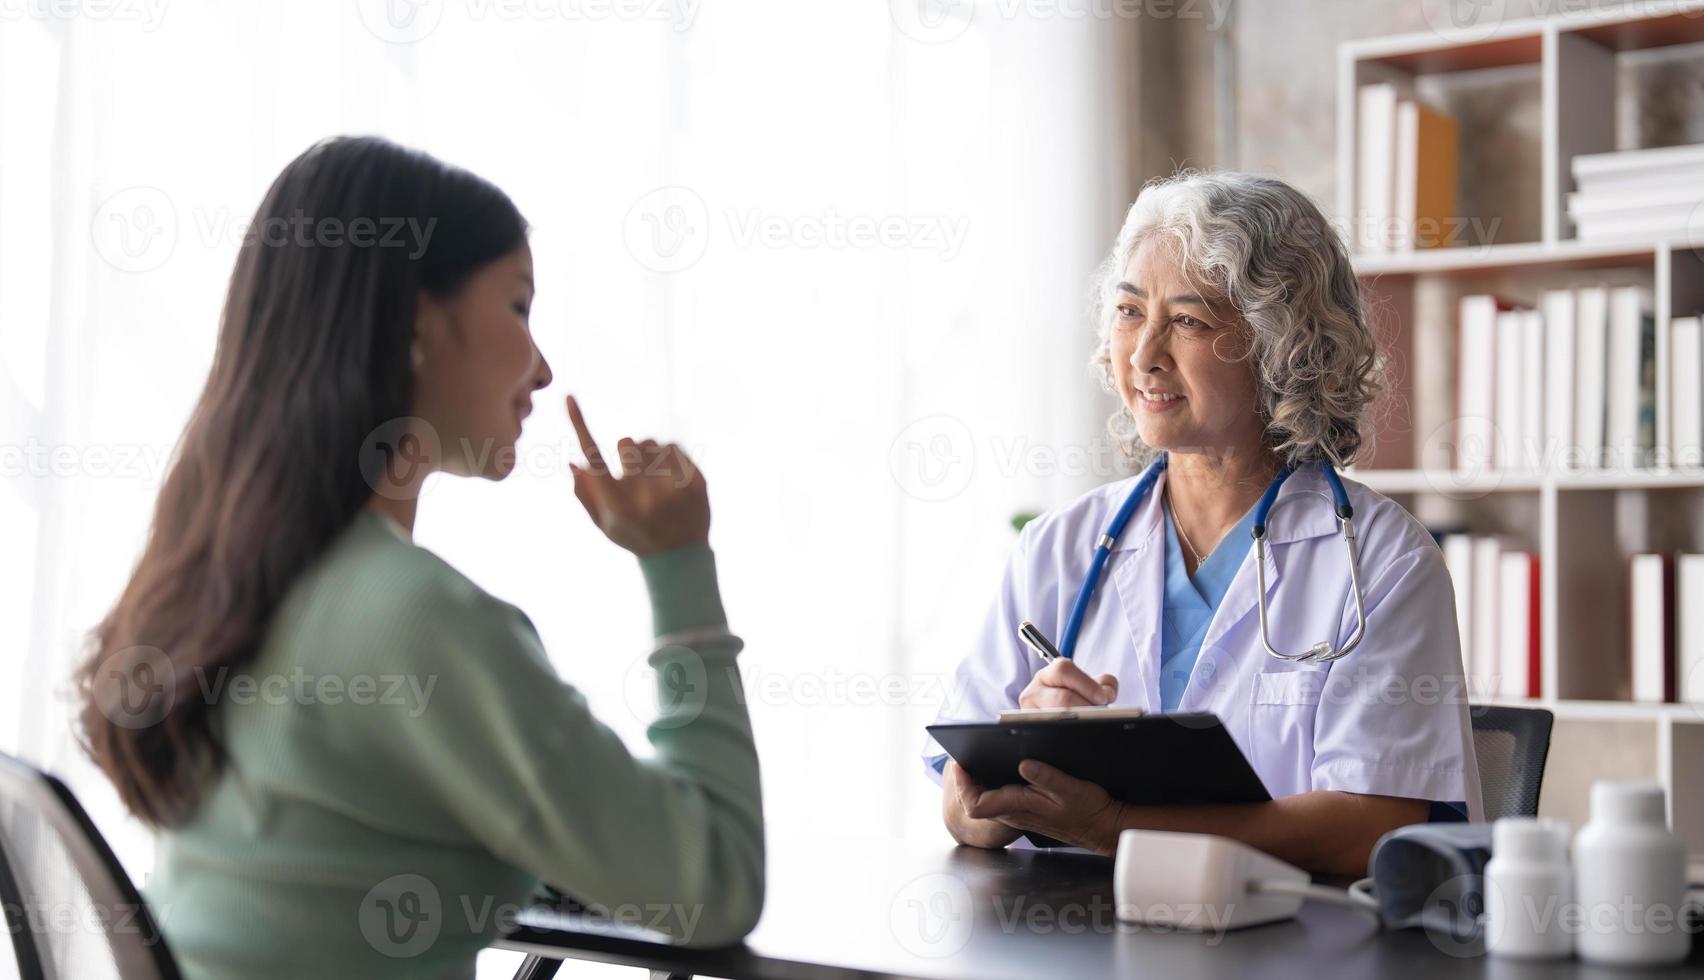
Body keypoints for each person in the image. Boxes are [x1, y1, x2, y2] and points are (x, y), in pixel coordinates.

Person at [75, 136, 763, 980]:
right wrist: (678, 561)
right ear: (411, 320)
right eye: (517, 308)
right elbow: (720, 882)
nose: (542, 369)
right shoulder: (415, 621)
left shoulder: (232, 581)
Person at [923, 171, 1482, 876]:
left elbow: (1371, 826)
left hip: (1297, 951)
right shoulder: (1059, 547)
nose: (1144, 353)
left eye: (1187, 321)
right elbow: (957, 805)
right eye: (1129, 312)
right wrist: (1018, 756)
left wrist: (1119, 828)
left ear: (1281, 345)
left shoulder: (1382, 561)